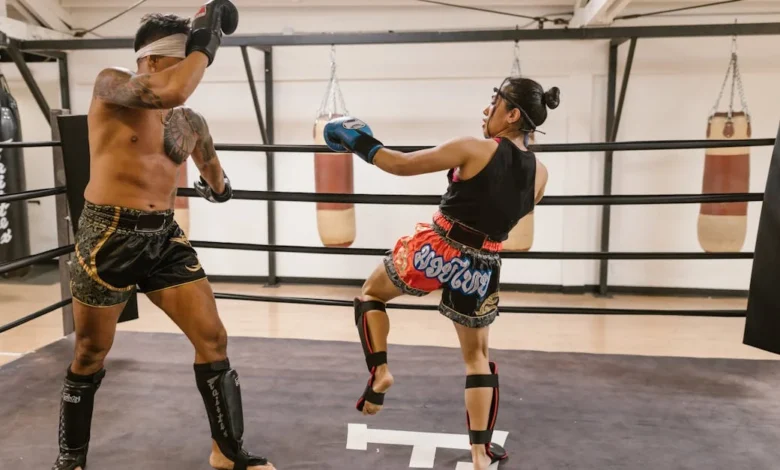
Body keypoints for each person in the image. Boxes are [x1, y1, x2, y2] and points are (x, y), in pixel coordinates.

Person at [53, 4, 275, 470]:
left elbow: (209, 164)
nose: (191, 73)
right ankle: (71, 459)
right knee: (90, 352)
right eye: (182, 60)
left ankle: (226, 452)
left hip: (163, 239)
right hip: (108, 236)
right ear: (152, 60)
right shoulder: (112, 86)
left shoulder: (187, 121)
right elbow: (172, 87)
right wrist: (205, 43)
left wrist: (219, 188)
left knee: (213, 338)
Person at [323, 77, 557, 470]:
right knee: (478, 357)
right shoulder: (542, 174)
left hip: (435, 248)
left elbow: (400, 164)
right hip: (482, 265)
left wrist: (356, 140)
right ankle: (480, 453)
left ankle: (380, 372)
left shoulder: (473, 147)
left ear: (512, 114)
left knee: (371, 294)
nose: (486, 110)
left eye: (495, 103)